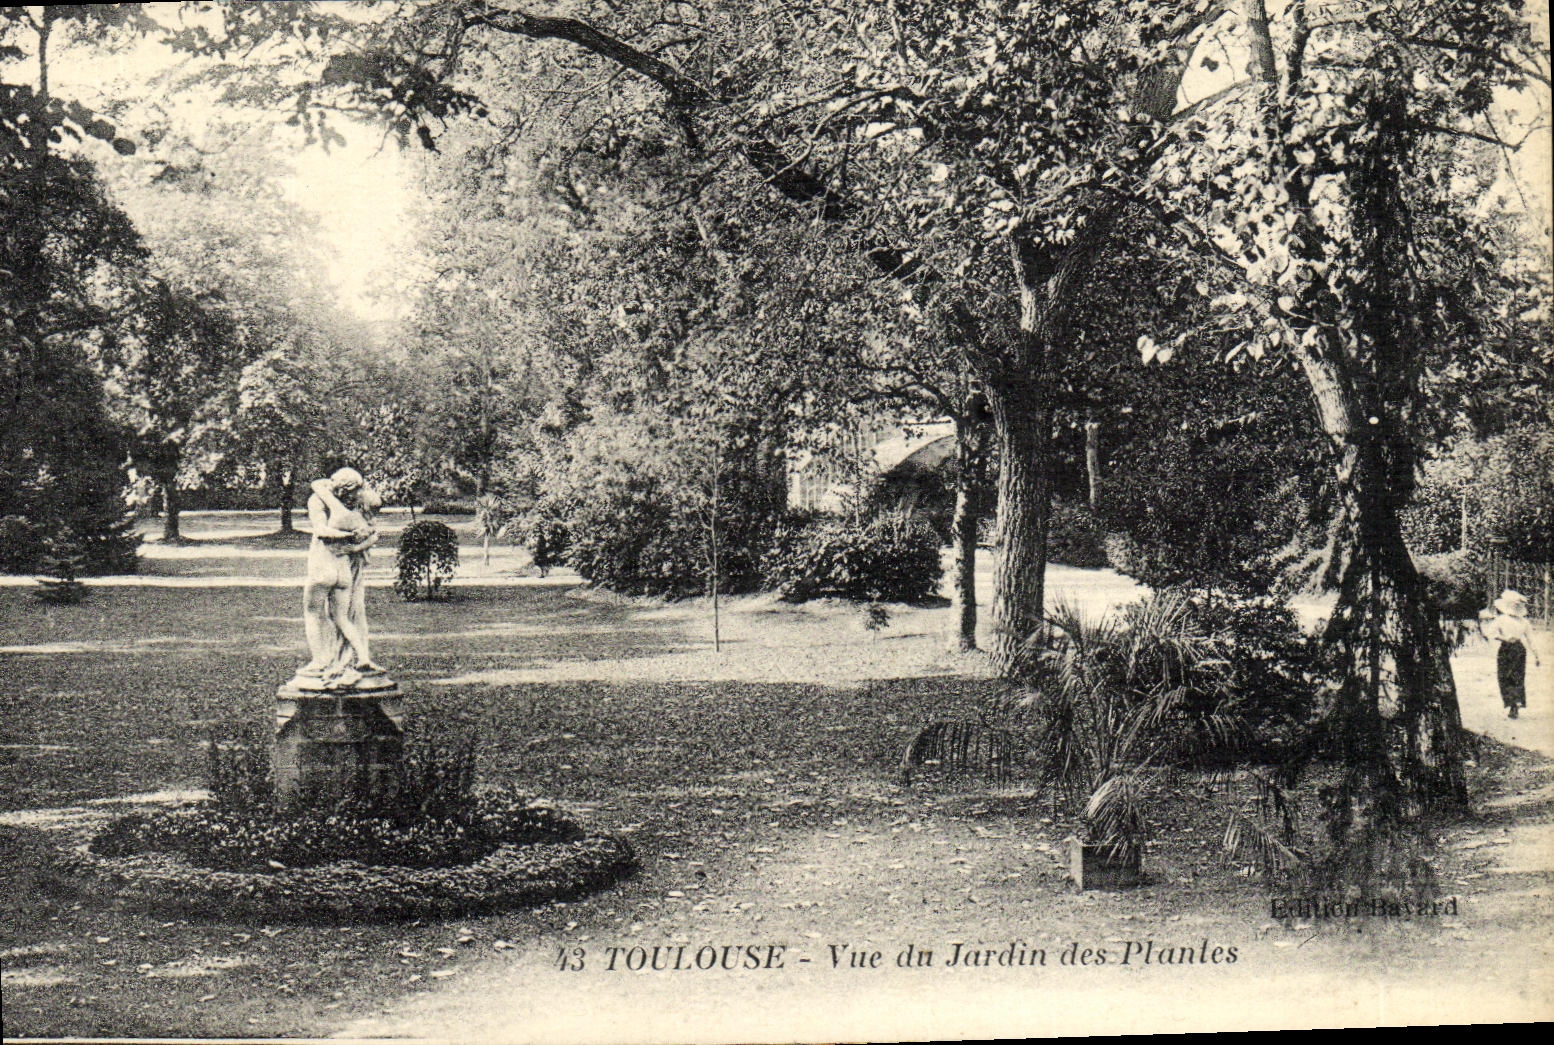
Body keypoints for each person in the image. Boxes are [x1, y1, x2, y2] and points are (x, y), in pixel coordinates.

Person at [294, 468, 379, 690]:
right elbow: (371, 532)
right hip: (344, 571)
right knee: (343, 617)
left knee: (312, 613)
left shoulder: (325, 504)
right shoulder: (355, 511)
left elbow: (321, 530)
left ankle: (319, 661)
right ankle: (363, 657)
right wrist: (356, 541)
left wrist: (344, 535)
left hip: (323, 567)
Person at [1483, 589, 1540, 719]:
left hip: (1511, 648)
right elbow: (1531, 639)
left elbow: (1489, 632)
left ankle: (1513, 705)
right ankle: (1514, 704)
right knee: (1512, 676)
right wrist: (1536, 655)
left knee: (1508, 676)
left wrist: (1503, 638)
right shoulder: (1514, 620)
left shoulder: (1506, 620)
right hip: (1515, 648)